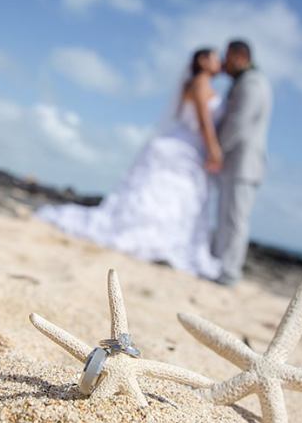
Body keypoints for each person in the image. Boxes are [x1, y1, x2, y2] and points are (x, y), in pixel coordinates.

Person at [35, 48, 224, 279]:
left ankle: (157, 240)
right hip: (186, 147)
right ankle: (160, 242)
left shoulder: (192, 83)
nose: (220, 61)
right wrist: (214, 150)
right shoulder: (200, 83)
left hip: (182, 146)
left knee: (168, 194)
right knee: (174, 195)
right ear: (202, 61)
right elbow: (204, 122)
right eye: (215, 57)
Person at [212, 39, 274, 286]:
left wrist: (216, 150)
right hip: (235, 162)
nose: (224, 63)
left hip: (244, 164)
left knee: (235, 219)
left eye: (227, 57)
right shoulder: (246, 82)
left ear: (240, 57)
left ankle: (229, 272)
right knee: (226, 216)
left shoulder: (253, 83)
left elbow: (239, 122)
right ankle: (220, 266)